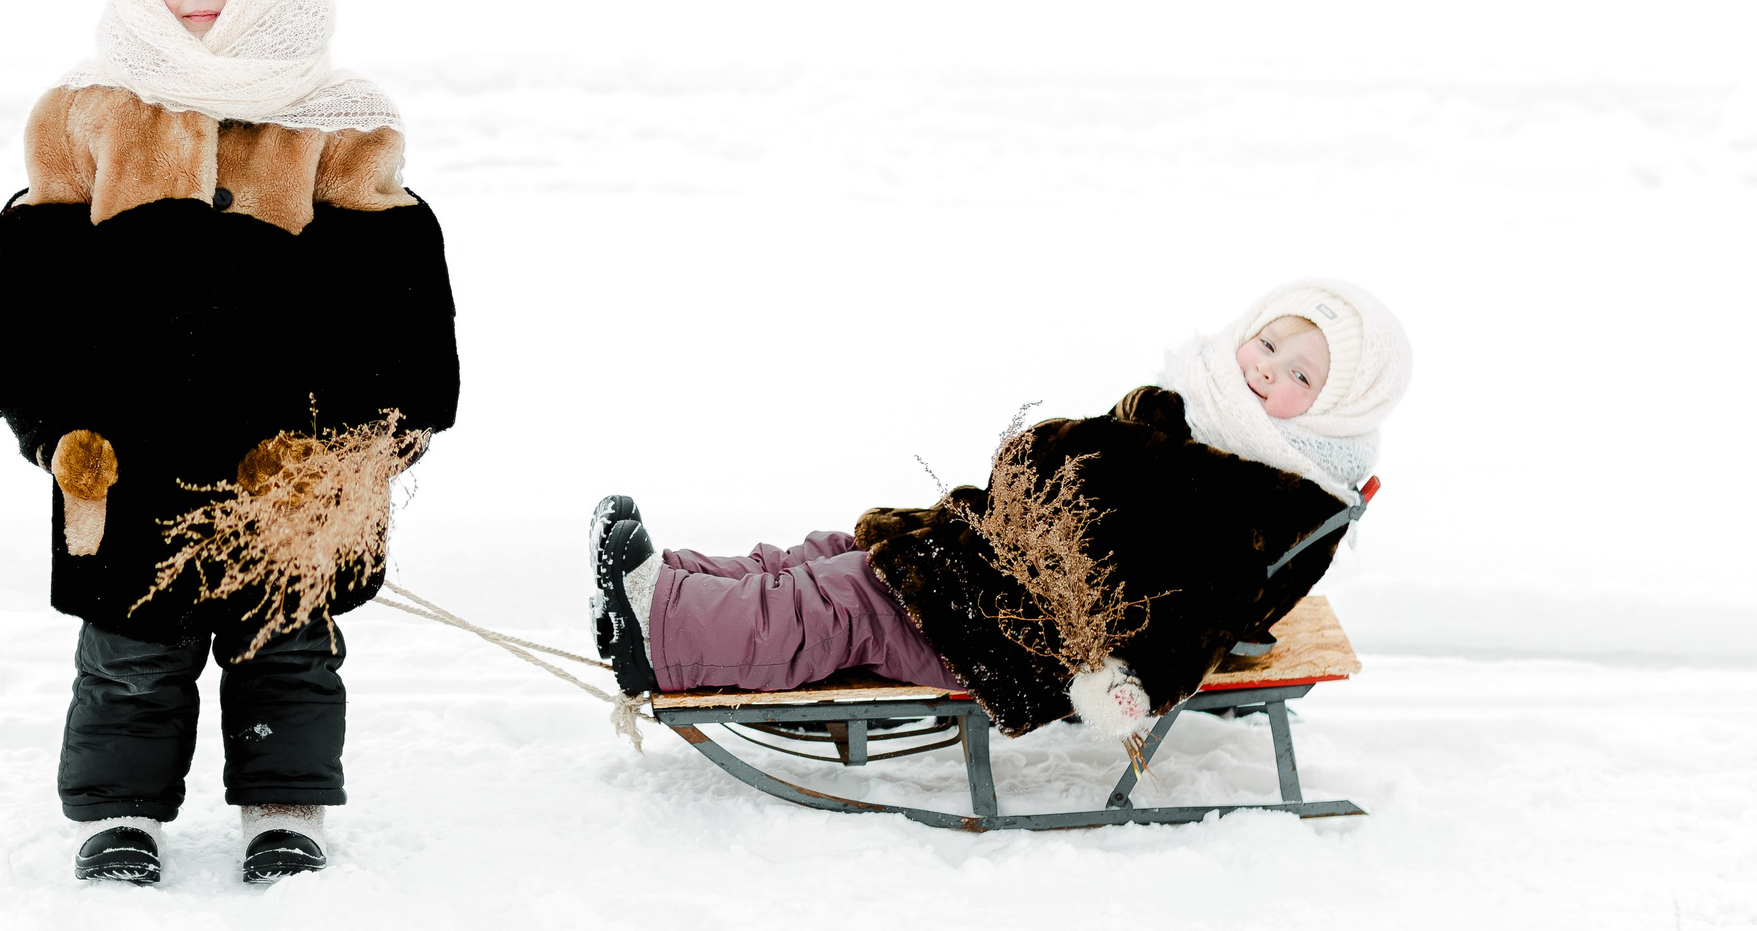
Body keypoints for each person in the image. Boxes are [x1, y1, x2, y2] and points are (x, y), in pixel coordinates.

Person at [0, 0, 458, 886]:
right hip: (131, 447)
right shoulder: (88, 110)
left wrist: (358, 446)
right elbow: (32, 295)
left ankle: (283, 807)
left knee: (285, 643)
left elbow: (396, 297)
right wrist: (55, 428)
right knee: (128, 649)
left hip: (286, 452)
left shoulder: (335, 115)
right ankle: (122, 814)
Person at [588, 279, 1410, 740]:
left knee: (855, 603)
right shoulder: (1202, 411)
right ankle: (668, 585)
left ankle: (664, 636)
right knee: (838, 552)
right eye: (1269, 343)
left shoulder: (1266, 494)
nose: (1269, 370)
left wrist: (1134, 685)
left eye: (1301, 376)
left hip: (1038, 631)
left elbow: (1209, 605)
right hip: (1015, 557)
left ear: (1335, 412)